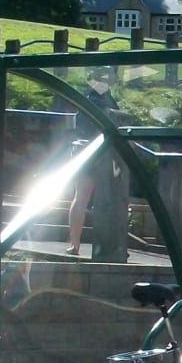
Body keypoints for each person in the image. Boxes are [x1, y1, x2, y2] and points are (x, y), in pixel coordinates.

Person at [66, 70, 120, 255]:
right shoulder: (98, 99)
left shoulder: (93, 98)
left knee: (86, 197)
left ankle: (76, 244)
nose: (104, 82)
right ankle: (75, 243)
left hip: (94, 151)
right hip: (93, 152)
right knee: (85, 197)